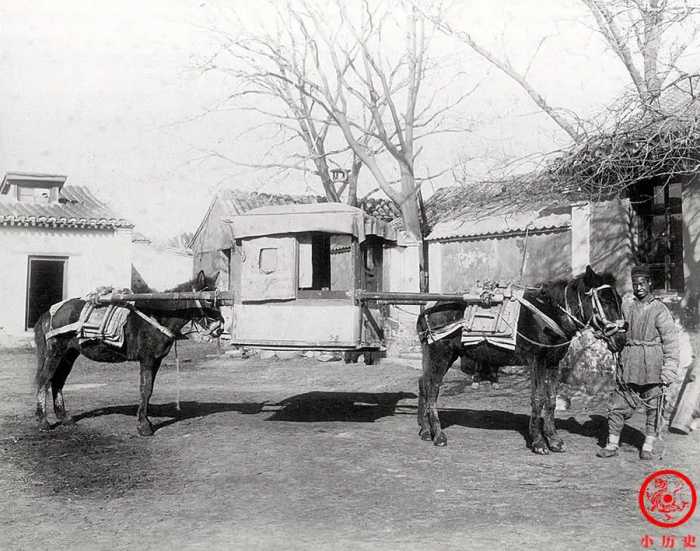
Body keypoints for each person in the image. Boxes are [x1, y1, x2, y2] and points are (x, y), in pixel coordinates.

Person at [597, 265, 679, 460]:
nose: (639, 287)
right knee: (618, 404)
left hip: (653, 365)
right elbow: (621, 329)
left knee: (653, 408)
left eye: (642, 283)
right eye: (635, 284)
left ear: (649, 283)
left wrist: (669, 370)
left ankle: (648, 446)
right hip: (629, 364)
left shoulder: (660, 309)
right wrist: (609, 332)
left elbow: (671, 342)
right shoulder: (627, 307)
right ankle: (612, 444)